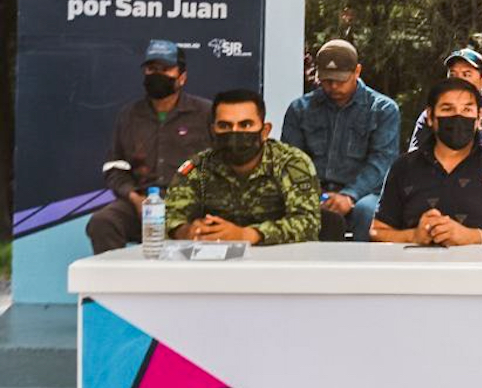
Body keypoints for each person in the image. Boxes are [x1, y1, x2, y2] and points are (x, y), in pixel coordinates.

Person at [371, 78, 482, 245]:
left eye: (467, 109)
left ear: (479, 116)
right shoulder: (404, 167)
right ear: (430, 116)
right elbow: (377, 232)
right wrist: (413, 236)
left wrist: (471, 237)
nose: (458, 117)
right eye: (447, 109)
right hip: (419, 261)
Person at [87, 39, 212, 254]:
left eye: (165, 69)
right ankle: (115, 277)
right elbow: (114, 168)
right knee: (102, 222)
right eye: (152, 69)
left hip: (192, 206)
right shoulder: (129, 115)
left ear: (182, 77)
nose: (157, 75)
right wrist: (135, 198)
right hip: (143, 204)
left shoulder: (205, 113)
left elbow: (221, 164)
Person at [164, 89, 320, 245]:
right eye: (224, 126)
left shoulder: (290, 163)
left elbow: (308, 222)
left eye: (245, 125)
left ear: (265, 131)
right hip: (214, 255)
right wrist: (187, 231)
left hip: (279, 256)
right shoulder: (199, 167)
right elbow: (168, 216)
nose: (235, 133)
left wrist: (248, 235)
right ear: (213, 131)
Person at [281, 39, 401, 241]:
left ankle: (363, 261)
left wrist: (350, 195)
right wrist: (311, 195)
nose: (334, 86)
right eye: (327, 80)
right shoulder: (299, 109)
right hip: (312, 191)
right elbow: (292, 160)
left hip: (365, 193)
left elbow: (382, 162)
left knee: (367, 212)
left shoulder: (382, 109)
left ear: (357, 71)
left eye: (341, 80)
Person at [409, 47, 482, 158]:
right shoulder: (433, 115)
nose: (458, 80)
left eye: (466, 75)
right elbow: (415, 160)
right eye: (453, 74)